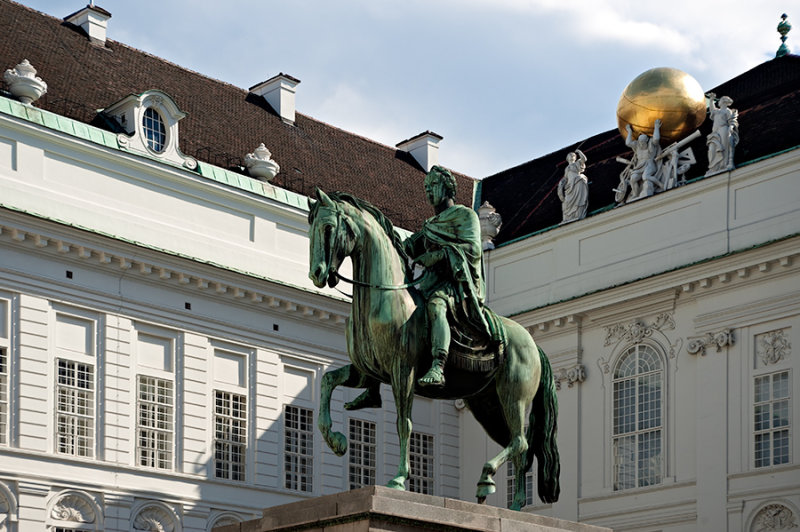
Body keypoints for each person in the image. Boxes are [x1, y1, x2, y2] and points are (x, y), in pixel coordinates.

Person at [404, 166, 492, 387]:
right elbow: (408, 246)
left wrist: (438, 255)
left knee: (436, 306)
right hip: (429, 283)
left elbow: (472, 249)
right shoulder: (431, 225)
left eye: (433, 185)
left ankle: (438, 365)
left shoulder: (465, 215)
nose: (428, 191)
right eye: (426, 187)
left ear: (448, 187)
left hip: (456, 285)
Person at [625, 119, 662, 200]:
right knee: (633, 179)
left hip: (649, 164)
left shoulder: (651, 144)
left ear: (647, 140)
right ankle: (636, 194)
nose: (641, 144)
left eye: (643, 142)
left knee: (645, 177)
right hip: (639, 166)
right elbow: (628, 143)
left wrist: (656, 127)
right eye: (640, 142)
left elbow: (656, 139)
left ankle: (659, 184)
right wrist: (629, 131)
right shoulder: (637, 145)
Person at [706, 94, 739, 175]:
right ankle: (713, 167)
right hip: (715, 133)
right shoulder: (717, 111)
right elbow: (712, 109)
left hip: (723, 130)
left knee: (724, 147)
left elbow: (731, 120)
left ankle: (723, 165)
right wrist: (711, 100)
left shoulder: (727, 111)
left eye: (719, 100)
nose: (718, 102)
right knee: (712, 149)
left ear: (723, 102)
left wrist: (731, 128)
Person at [557, 149, 589, 223]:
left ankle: (578, 213)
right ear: (567, 158)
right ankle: (569, 217)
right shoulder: (567, 168)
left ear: (575, 158)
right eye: (570, 155)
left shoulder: (577, 163)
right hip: (570, 186)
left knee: (578, 199)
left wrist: (579, 152)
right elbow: (565, 178)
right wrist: (561, 184)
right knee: (567, 201)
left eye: (573, 155)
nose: (572, 156)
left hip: (577, 182)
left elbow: (584, 159)